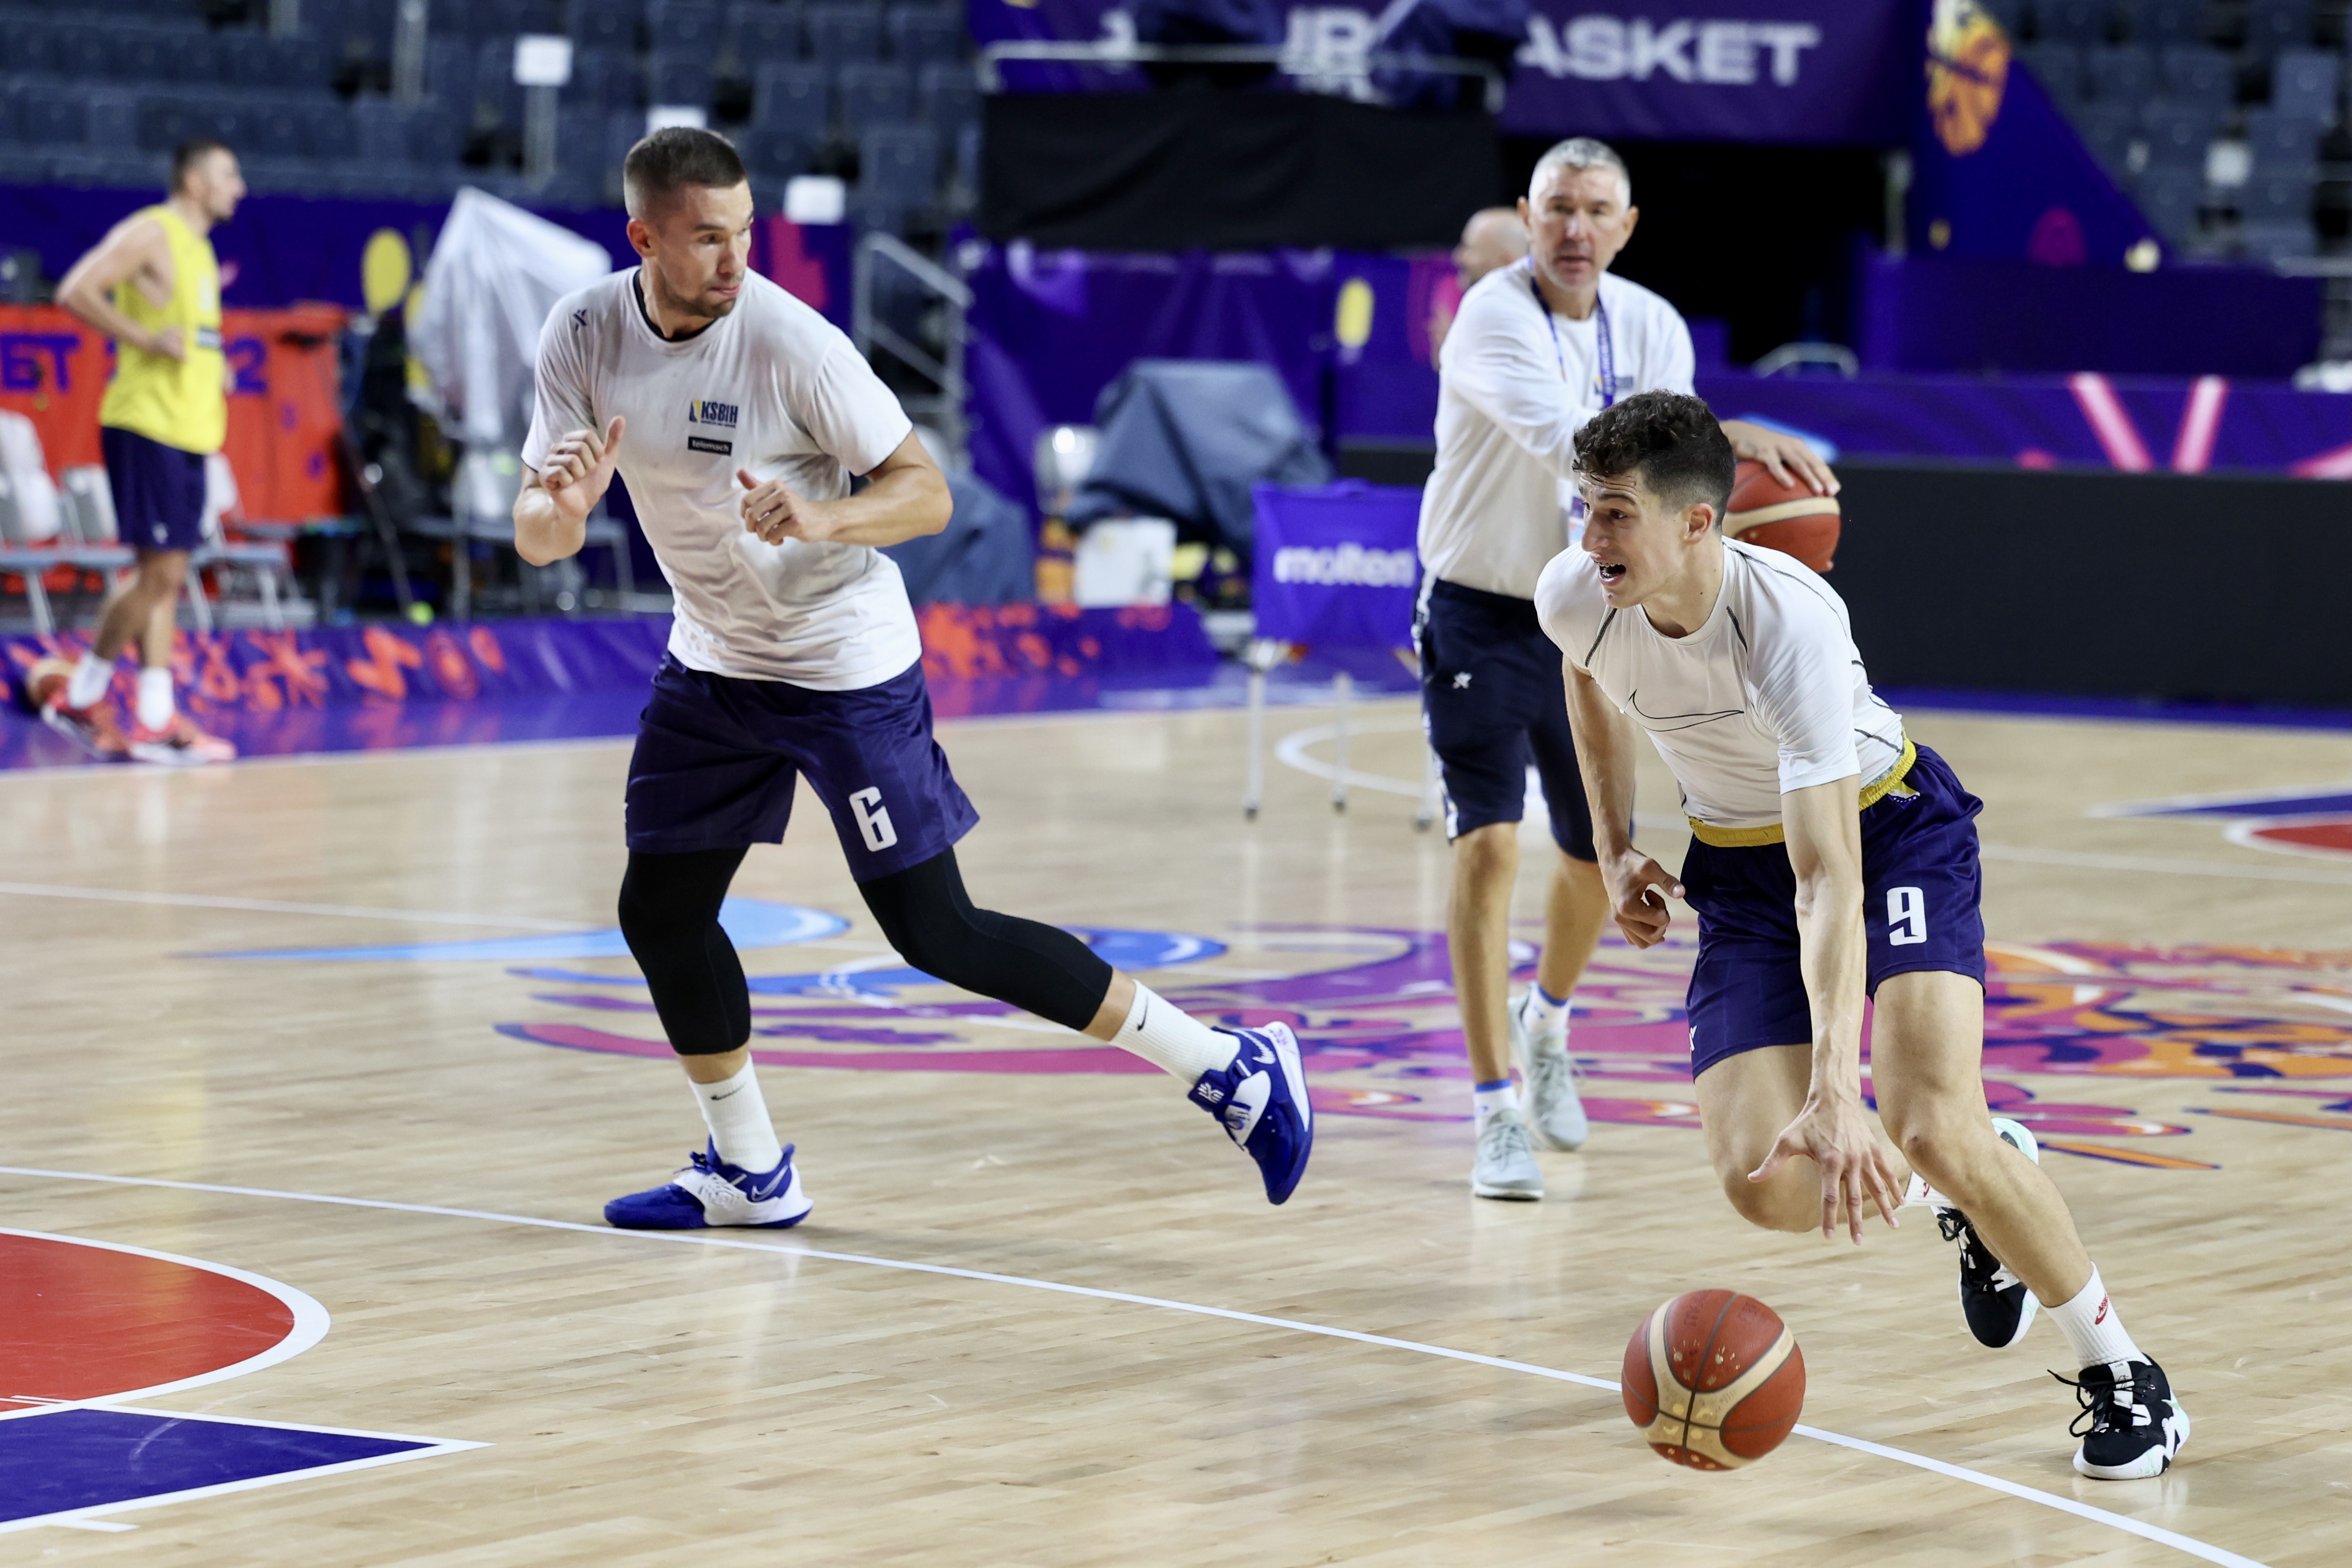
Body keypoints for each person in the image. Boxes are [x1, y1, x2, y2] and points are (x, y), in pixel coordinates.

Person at [511, 129, 1311, 1228]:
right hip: (715, 656)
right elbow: (541, 539)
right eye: (706, 238)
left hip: (843, 658)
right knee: (660, 909)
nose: (736, 258)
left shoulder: (793, 343)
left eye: (745, 231)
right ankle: (750, 1168)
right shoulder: (585, 334)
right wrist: (555, 509)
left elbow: (927, 491)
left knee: (939, 931)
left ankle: (1229, 1064)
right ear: (642, 236)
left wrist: (823, 514)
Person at [1539, 390, 2187, 1479]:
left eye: (1616, 514)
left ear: (1698, 525)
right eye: (1586, 508)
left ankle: (2123, 1369)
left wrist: (1841, 1087)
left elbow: (1828, 873)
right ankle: (1977, 1192)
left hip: (1886, 833)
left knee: (1928, 1118)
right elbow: (1585, 675)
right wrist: (1612, 844)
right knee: (1768, 1180)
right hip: (1734, 870)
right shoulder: (1578, 592)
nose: (1591, 536)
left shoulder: (1787, 622)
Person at [1417, 136, 1831, 1200]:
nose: (1575, 228)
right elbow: (1577, 446)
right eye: (1557, 207)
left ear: (1627, 225)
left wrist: (1712, 461)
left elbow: (1658, 503)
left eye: (1597, 209)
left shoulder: (1653, 323)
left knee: (1590, 855)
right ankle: (1491, 1106)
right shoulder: (1493, 314)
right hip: (1483, 606)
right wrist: (1712, 444)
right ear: (1529, 211)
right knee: (1488, 847)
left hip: (1603, 606)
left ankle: (1546, 1019)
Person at [27, 140, 245, 765]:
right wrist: (147, 339)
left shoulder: (200, 251)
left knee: (167, 578)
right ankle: (84, 692)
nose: (242, 187)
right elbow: (76, 289)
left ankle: (154, 717)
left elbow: (192, 337)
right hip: (147, 425)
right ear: (196, 182)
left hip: (189, 430)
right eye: (230, 175)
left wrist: (213, 366)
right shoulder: (154, 231)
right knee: (161, 575)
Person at [1425, 206, 1528, 361]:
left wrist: (1456, 355)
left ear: (1507, 263)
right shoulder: (1478, 320)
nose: (1458, 258)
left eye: (1470, 249)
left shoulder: (1527, 329)